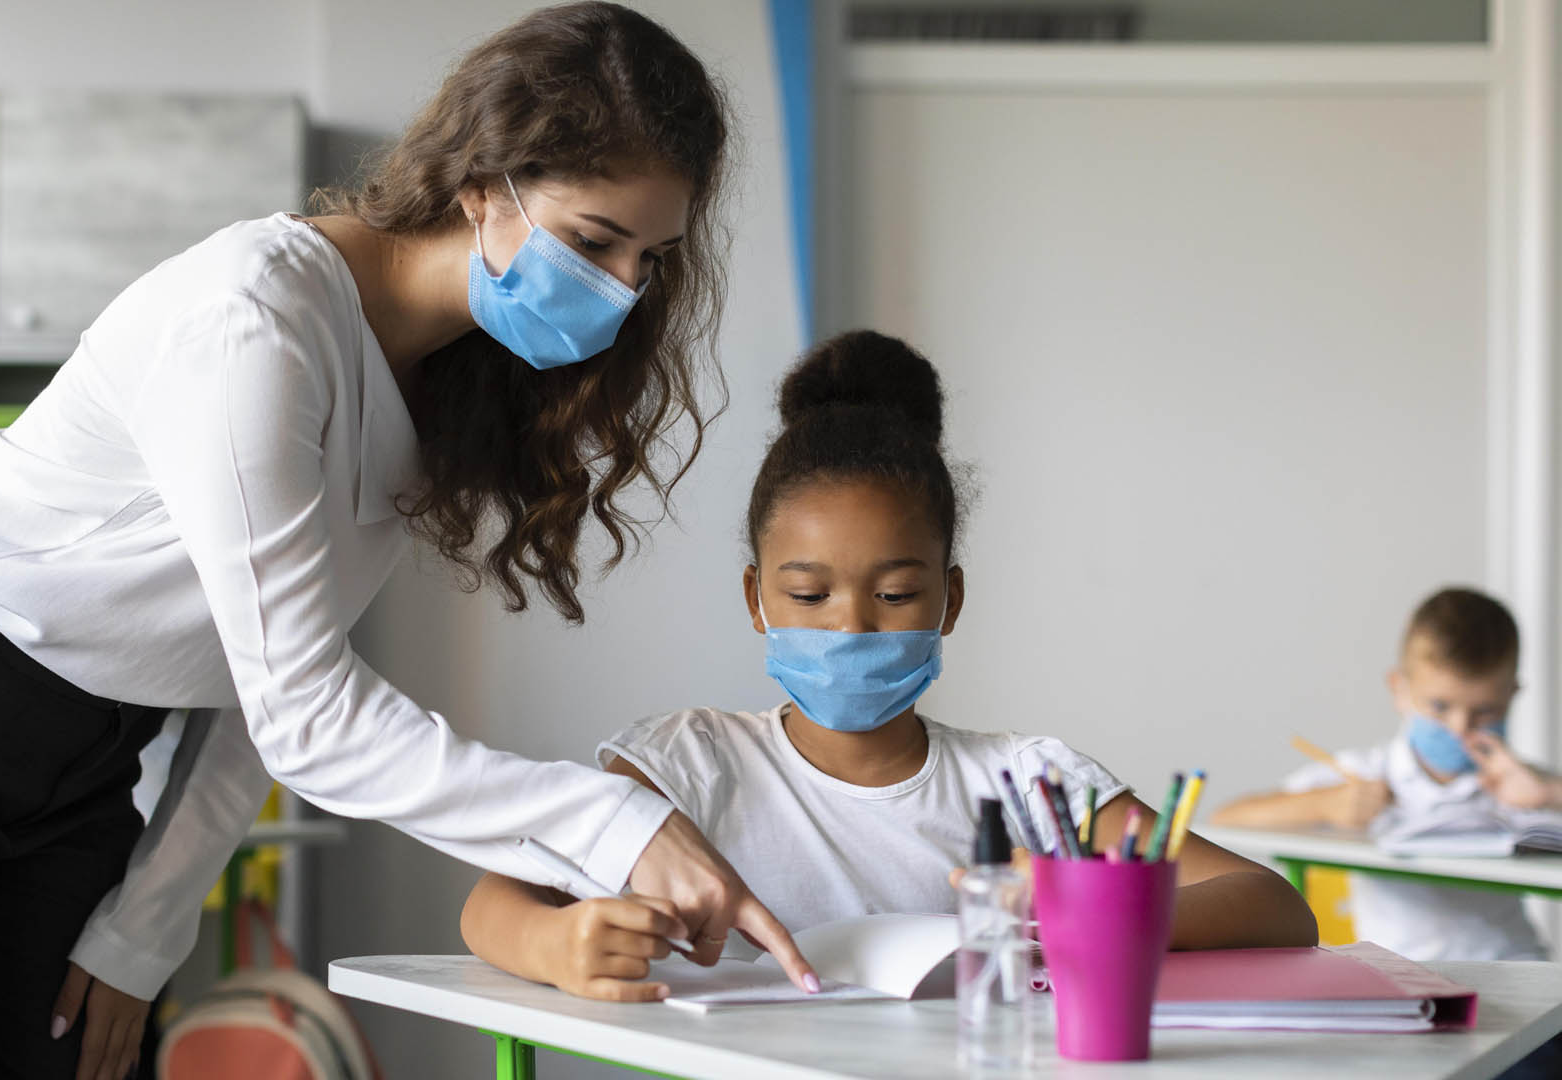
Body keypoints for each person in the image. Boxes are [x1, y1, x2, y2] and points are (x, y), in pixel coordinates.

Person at [0, 6, 816, 1079]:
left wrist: (139, 937)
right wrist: (617, 824)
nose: (626, 290)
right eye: (594, 241)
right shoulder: (257, 318)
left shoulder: (434, 387)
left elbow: (266, 690)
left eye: (650, 258)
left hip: (80, 762)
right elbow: (309, 720)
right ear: (483, 185)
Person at [460, 331, 1317, 1000]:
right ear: (757, 598)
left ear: (952, 598)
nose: (852, 627)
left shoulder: (1029, 785)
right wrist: (557, 947)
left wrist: (1090, 911)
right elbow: (493, 907)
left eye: (898, 596)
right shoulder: (693, 764)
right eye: (809, 596)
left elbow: (1276, 905)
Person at [1213, 587, 1549, 962]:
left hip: (1517, 966)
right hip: (1399, 973)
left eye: (1485, 711)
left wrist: (1551, 796)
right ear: (1399, 689)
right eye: (1440, 706)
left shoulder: (1527, 784)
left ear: (1512, 696)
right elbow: (1227, 817)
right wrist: (1324, 804)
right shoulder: (1365, 773)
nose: (1459, 727)